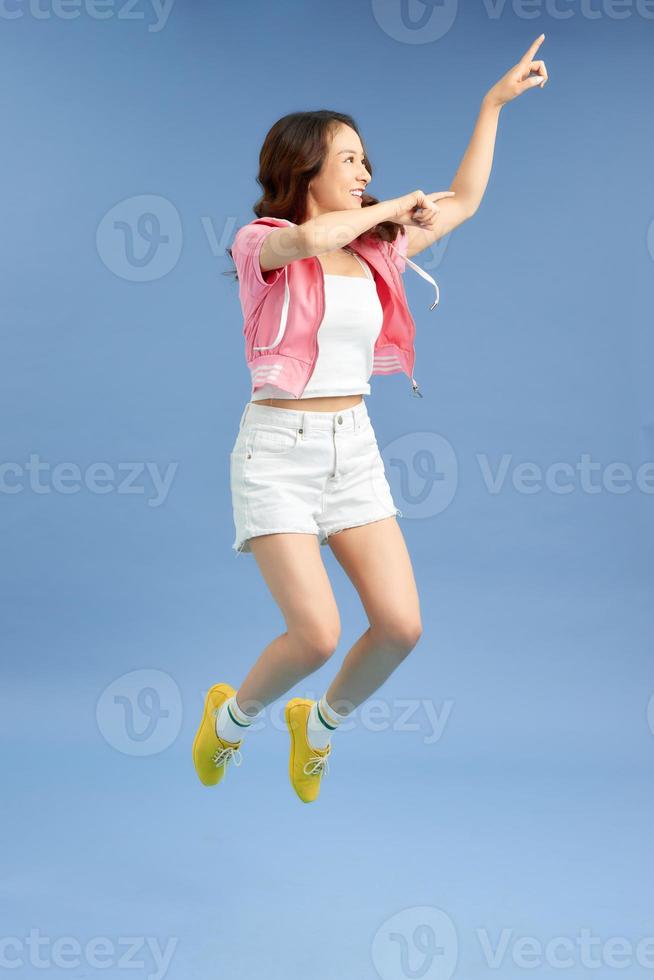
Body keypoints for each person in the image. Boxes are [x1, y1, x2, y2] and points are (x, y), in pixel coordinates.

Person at [193, 36, 548, 803]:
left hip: (352, 448)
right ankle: (232, 722)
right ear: (304, 168)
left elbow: (466, 199)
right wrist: (389, 208)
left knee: (400, 627)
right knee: (316, 634)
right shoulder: (263, 244)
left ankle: (315, 729)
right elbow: (315, 237)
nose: (365, 172)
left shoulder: (380, 250)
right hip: (277, 453)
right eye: (349, 159)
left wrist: (493, 105)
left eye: (366, 160)